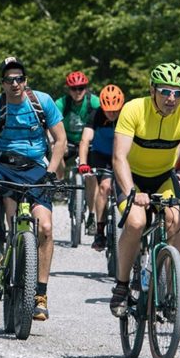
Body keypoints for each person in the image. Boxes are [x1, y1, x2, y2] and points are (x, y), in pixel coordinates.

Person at [0, 57, 67, 321]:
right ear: (2, 84)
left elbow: (61, 141)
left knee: (45, 227)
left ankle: (40, 294)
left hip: (36, 167)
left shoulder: (42, 102)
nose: (15, 84)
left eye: (19, 79)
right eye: (9, 80)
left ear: (26, 81)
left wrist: (50, 172)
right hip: (3, 164)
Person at [109, 63, 180, 317]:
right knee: (137, 222)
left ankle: (170, 290)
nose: (171, 98)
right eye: (165, 91)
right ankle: (121, 286)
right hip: (131, 176)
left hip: (163, 177)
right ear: (152, 90)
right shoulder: (133, 109)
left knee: (175, 220)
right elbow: (119, 157)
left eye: (178, 92)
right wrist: (131, 191)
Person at [77, 84, 125, 251]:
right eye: (108, 110)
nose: (112, 114)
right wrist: (83, 163)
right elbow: (85, 141)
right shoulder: (96, 114)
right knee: (104, 186)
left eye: (115, 110)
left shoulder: (127, 115)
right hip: (101, 155)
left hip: (123, 156)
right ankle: (99, 231)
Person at [55, 71, 101, 234]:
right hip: (69, 142)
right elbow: (51, 123)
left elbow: (106, 117)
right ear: (68, 89)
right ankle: (60, 185)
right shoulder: (62, 103)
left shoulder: (94, 102)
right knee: (56, 151)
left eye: (81, 88)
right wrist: (57, 141)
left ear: (86, 88)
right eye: (74, 88)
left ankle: (91, 216)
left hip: (88, 143)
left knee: (90, 177)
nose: (77, 91)